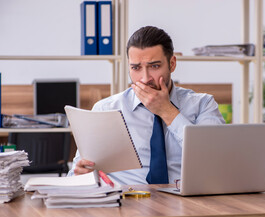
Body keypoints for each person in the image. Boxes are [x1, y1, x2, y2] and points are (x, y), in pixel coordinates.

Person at [67, 26, 225, 185]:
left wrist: (167, 111)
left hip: (188, 202)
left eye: (155, 66)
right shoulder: (106, 109)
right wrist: (81, 174)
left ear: (172, 64)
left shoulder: (203, 104)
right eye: (136, 68)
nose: (145, 78)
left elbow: (216, 161)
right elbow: (75, 174)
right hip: (127, 202)